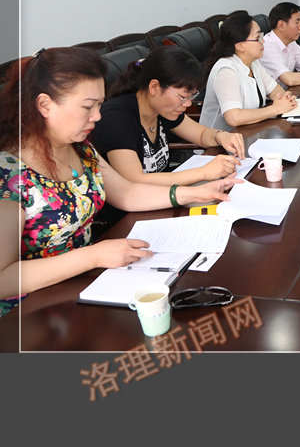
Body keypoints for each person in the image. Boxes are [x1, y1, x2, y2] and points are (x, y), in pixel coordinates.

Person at [0, 48, 240, 316]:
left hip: (85, 286)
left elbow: (126, 192)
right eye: (87, 106)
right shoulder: (8, 174)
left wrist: (192, 194)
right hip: (27, 313)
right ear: (45, 105)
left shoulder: (80, 147)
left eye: (99, 105)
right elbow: (3, 278)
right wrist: (92, 256)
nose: (97, 116)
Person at [91, 45, 245, 185]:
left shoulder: (162, 108)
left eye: (191, 96)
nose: (188, 103)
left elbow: (201, 135)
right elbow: (134, 180)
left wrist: (221, 136)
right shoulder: (116, 118)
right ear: (154, 87)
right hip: (135, 204)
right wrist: (204, 172)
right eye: (182, 96)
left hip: (164, 193)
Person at [200, 11, 298, 131]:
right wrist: (275, 109)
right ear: (240, 46)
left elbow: (275, 90)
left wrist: (285, 99)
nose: (263, 41)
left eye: (261, 36)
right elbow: (234, 118)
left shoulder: (253, 62)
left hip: (251, 131)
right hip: (222, 140)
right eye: (257, 38)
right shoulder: (226, 70)